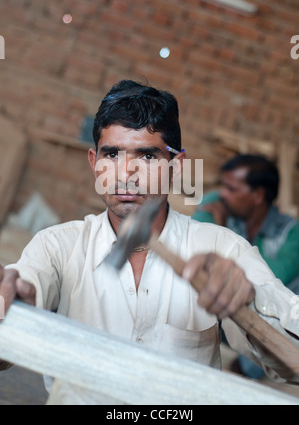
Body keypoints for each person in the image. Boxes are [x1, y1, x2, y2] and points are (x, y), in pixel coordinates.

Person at [0, 81, 299, 400]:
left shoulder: (223, 249)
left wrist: (249, 301)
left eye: (147, 156)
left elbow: (291, 365)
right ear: (93, 162)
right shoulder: (56, 247)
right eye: (112, 153)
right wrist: (16, 311)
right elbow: (17, 309)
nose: (126, 173)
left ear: (176, 166)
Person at [193, 154, 299, 378]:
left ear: (258, 195)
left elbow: (269, 278)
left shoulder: (291, 233)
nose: (222, 193)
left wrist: (222, 231)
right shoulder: (216, 203)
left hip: (260, 324)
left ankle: (245, 369)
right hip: (216, 317)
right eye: (224, 185)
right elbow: (196, 252)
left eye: (232, 189)